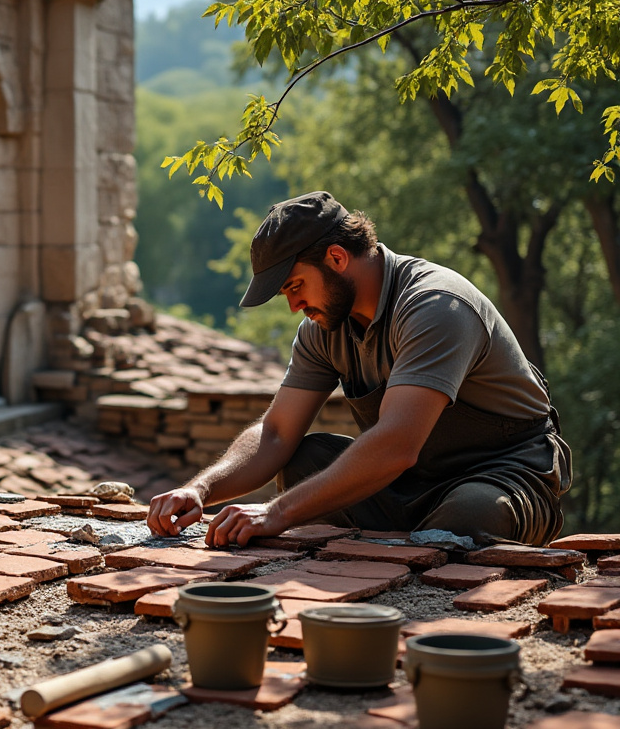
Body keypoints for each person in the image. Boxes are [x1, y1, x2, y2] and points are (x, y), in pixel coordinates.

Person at [147, 191, 571, 547]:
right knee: (304, 460)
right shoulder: (323, 327)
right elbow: (276, 433)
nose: (294, 305)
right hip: (409, 483)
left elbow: (397, 444)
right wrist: (201, 488)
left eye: (295, 286)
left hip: (506, 475)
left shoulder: (437, 307)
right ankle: (388, 556)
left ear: (336, 257)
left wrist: (276, 513)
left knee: (469, 514)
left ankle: (413, 557)